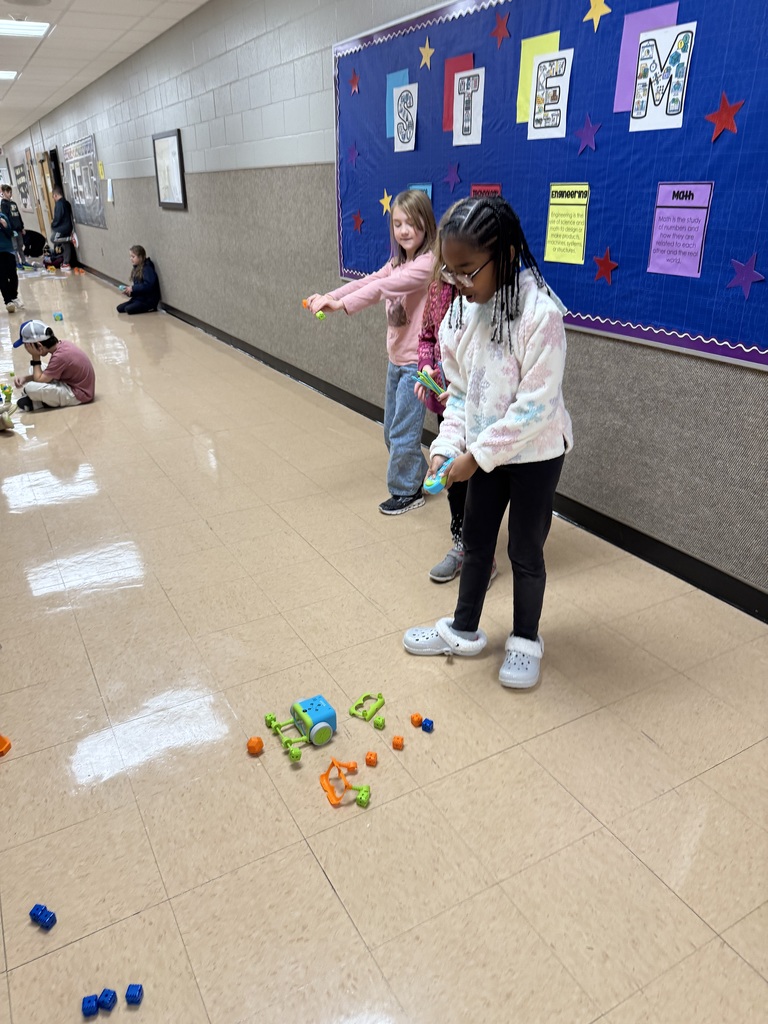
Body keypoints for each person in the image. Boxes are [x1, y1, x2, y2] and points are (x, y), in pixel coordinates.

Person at [402, 196, 573, 689]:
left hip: (536, 454)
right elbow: (459, 396)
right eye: (449, 273)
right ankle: (463, 628)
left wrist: (476, 456)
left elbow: (535, 407)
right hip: (483, 455)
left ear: (502, 255)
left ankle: (525, 640)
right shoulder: (461, 315)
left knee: (525, 549)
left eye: (467, 271)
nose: (457, 284)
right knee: (476, 541)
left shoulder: (541, 315)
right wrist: (446, 448)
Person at [305, 190, 437, 514]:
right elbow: (371, 280)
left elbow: (381, 290)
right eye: (397, 223)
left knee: (402, 432)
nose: (404, 230)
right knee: (392, 433)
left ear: (426, 224)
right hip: (396, 360)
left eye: (412, 223)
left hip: (417, 365)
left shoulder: (427, 263)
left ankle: (407, 492)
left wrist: (341, 305)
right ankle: (417, 475)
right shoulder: (398, 261)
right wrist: (330, 295)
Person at [414, 268, 497, 586]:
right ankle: (462, 542)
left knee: (482, 481)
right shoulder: (436, 291)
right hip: (448, 408)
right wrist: (427, 368)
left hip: (485, 409)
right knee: (454, 481)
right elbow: (426, 338)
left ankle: (483, 554)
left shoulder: (486, 294)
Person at [13, 319, 95, 411]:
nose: (27, 350)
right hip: (73, 383)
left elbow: (39, 381)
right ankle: (42, 400)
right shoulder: (62, 345)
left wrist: (35, 357)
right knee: (34, 369)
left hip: (79, 394)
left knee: (30, 388)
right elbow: (45, 376)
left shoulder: (60, 356)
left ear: (39, 346)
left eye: (28, 346)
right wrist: (25, 378)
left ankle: (39, 403)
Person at [116, 245, 161, 314]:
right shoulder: (136, 268)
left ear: (140, 257)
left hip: (148, 300)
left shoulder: (147, 268)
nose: (131, 259)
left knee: (129, 309)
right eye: (130, 257)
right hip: (139, 298)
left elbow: (148, 285)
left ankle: (151, 308)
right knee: (119, 308)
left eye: (133, 257)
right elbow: (139, 288)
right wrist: (130, 292)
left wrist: (133, 288)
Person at [0, 209, 24, 313]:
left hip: (8, 250)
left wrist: (5, 226)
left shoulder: (3, 216)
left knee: (13, 275)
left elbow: (11, 233)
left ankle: (14, 296)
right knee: (2, 277)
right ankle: (8, 301)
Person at [0, 185, 26, 268]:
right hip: (12, 230)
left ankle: (24, 261)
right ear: (3, 193)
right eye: (8, 192)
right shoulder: (3, 204)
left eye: (11, 192)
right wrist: (9, 229)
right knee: (14, 247)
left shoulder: (13, 203)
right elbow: (6, 217)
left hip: (18, 228)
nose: (10, 194)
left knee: (20, 246)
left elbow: (18, 215)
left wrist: (22, 227)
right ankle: (17, 262)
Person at [50, 186, 74, 268]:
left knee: (53, 238)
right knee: (65, 244)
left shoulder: (59, 204)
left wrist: (53, 224)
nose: (54, 199)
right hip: (68, 226)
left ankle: (70, 239)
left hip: (61, 228)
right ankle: (66, 263)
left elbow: (58, 218)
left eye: (53, 197)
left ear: (55, 195)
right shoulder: (67, 203)